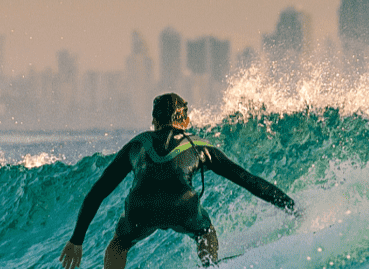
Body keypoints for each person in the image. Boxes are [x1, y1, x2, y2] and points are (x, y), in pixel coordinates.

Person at [59, 93, 297, 268]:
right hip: (182, 205)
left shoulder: (136, 145)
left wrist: (76, 240)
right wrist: (291, 207)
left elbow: (97, 192)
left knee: (119, 243)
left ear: (154, 120)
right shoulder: (199, 144)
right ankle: (209, 265)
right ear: (185, 119)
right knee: (204, 231)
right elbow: (248, 180)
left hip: (141, 208)